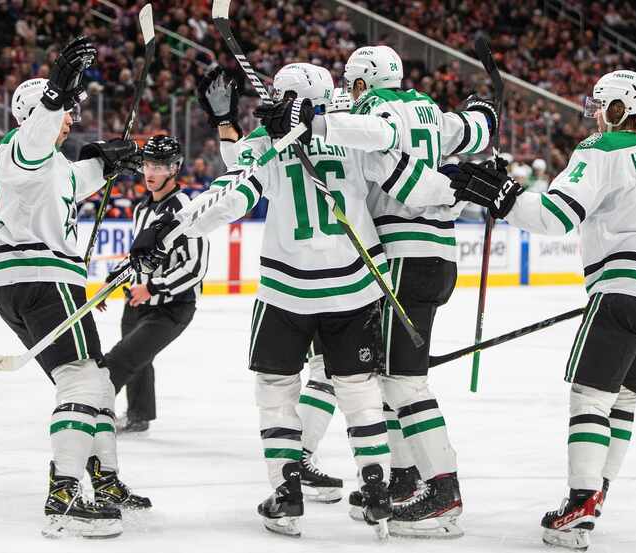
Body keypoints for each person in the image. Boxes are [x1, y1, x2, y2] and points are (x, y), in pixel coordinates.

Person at [132, 62, 499, 538]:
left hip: (287, 292)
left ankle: (286, 494)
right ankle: (376, 488)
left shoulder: (266, 144)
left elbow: (232, 192)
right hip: (353, 286)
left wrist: (168, 229)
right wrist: (468, 190)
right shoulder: (353, 137)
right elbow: (413, 184)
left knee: (276, 391)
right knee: (360, 389)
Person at [451, 70, 636, 550]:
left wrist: (502, 198)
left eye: (600, 104)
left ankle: (581, 503)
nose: (593, 112)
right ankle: (598, 493)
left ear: (618, 108)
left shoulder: (599, 150)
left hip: (624, 293)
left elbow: (555, 217)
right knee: (624, 401)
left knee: (591, 398)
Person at [257, 45, 496, 538]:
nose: (348, 95)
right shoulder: (430, 108)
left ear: (362, 82)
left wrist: (316, 123)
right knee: (384, 377)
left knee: (402, 382)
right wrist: (486, 113)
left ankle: (442, 492)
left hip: (401, 255)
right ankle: (403, 480)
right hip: (438, 254)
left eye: (351, 85)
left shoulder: (374, 109)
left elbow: (378, 133)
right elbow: (475, 130)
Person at [0, 36, 150, 538]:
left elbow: (77, 178)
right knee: (82, 382)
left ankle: (106, 479)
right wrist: (55, 92)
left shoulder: (48, 165)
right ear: (38, 113)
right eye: (64, 112)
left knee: (93, 382)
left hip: (31, 284)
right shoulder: (16, 151)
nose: (72, 120)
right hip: (42, 280)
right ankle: (65, 491)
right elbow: (34, 142)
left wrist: (113, 161)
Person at [101, 135, 209, 434]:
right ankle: (139, 414)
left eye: (159, 166)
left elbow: (195, 266)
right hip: (137, 302)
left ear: (175, 168)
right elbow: (136, 259)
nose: (150, 172)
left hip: (171, 309)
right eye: (148, 164)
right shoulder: (142, 209)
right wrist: (111, 283)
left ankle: (90, 414)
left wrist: (154, 287)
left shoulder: (188, 210)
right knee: (139, 360)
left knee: (120, 359)